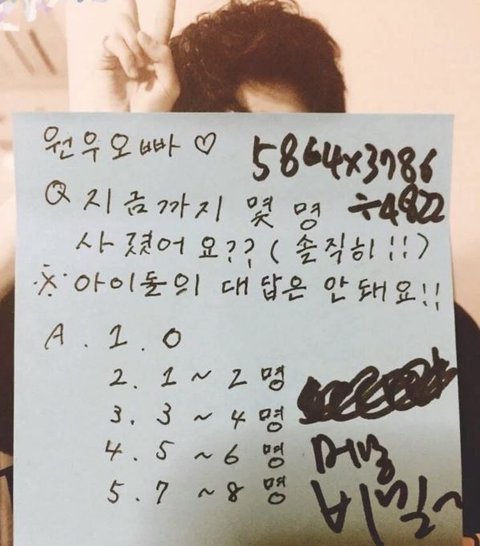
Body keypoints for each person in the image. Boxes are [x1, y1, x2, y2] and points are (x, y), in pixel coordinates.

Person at [1, 0, 479, 542]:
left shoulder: (433, 341)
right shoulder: (79, 325)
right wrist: (102, 147)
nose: (255, 191)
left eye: (286, 159)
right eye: (224, 152)